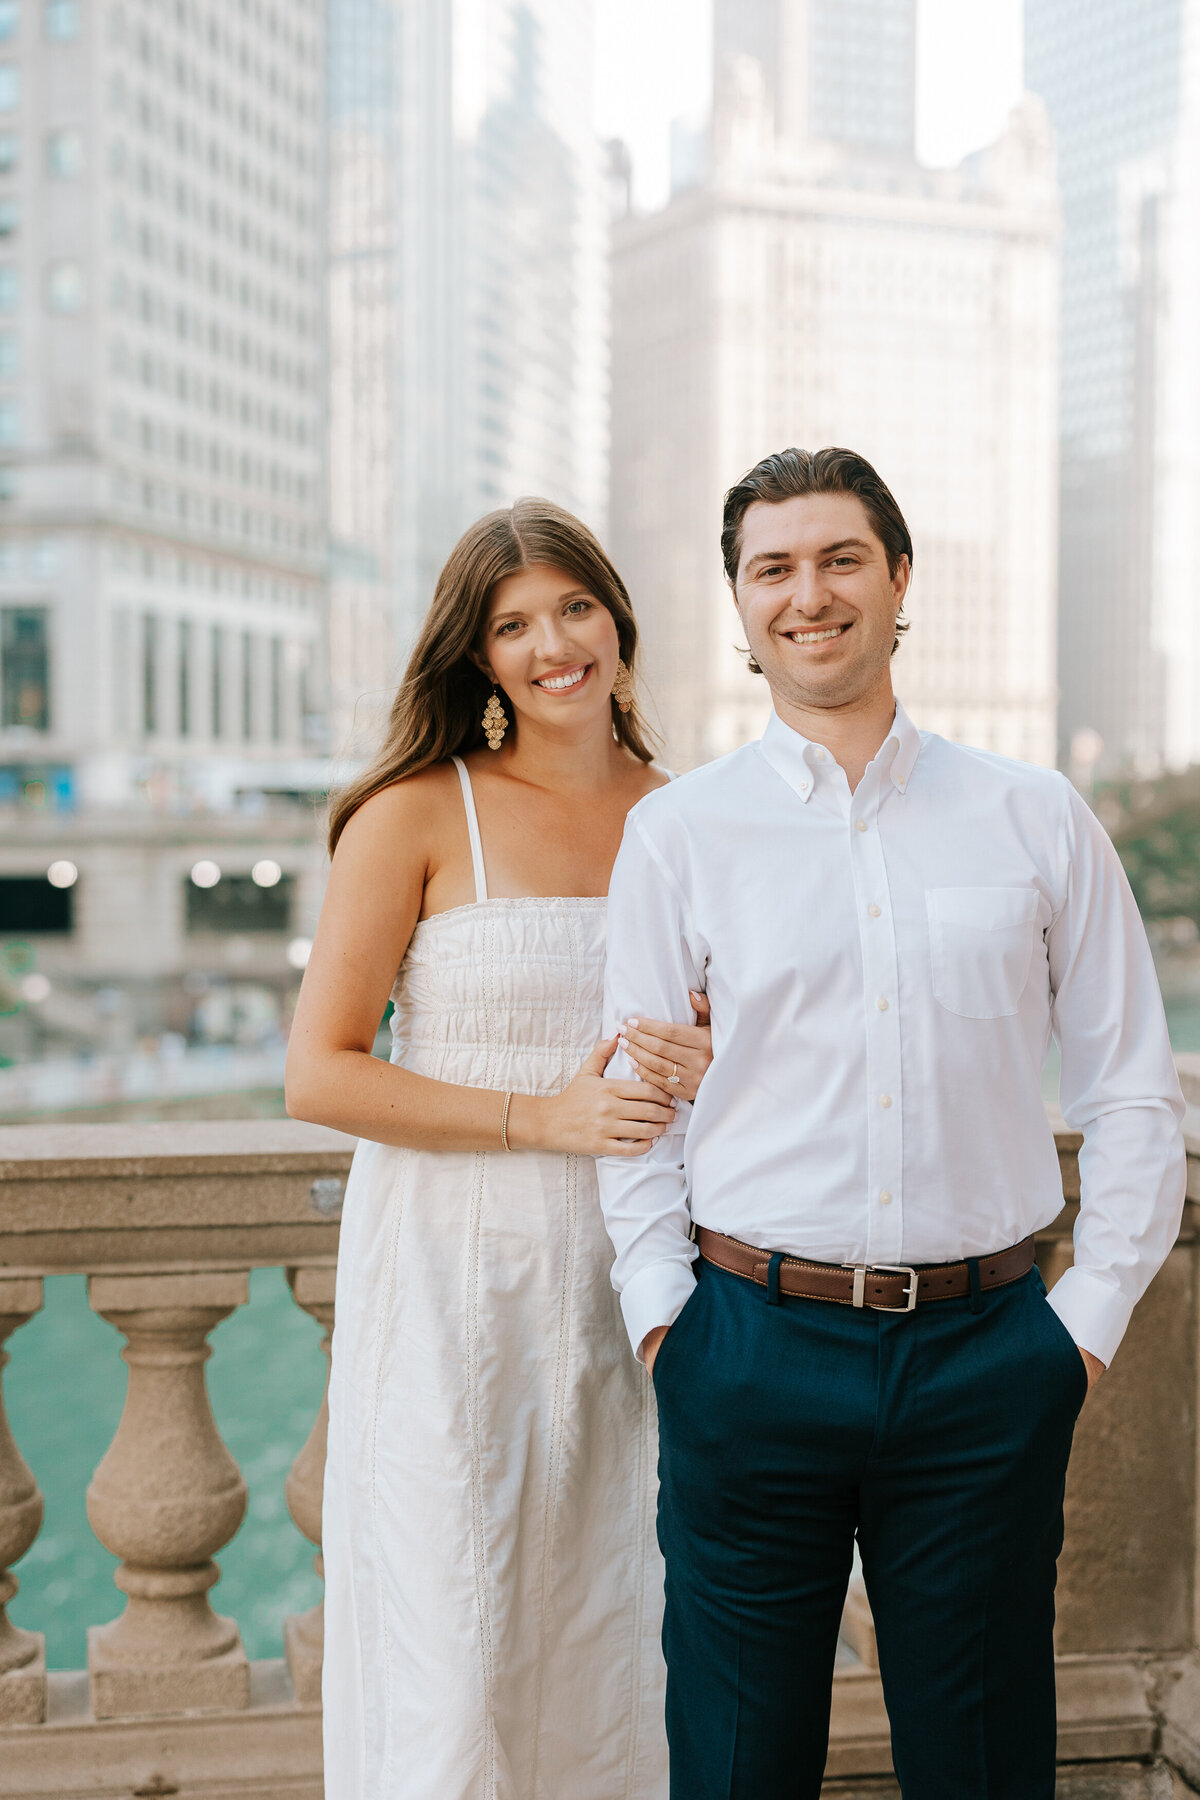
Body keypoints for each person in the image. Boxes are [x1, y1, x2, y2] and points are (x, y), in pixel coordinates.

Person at [596, 446, 1187, 1800]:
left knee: (982, 1769)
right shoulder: (680, 837)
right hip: (744, 1350)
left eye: (841, 558)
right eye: (774, 569)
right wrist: (664, 1328)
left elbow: (1131, 1092)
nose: (810, 594)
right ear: (741, 606)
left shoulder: (1034, 817)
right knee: (738, 1770)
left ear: (899, 578)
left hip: (990, 1359)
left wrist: (1078, 1334)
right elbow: (636, 1117)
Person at [286, 498, 712, 1800]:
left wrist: (709, 1061)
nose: (552, 645)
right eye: (512, 624)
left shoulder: (696, 818)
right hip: (449, 1288)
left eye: (574, 608)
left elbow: (747, 1053)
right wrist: (541, 1117)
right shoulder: (415, 814)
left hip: (639, 1280)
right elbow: (320, 1071)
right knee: (456, 1635)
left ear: (619, 621)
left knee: (619, 1632)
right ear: (476, 654)